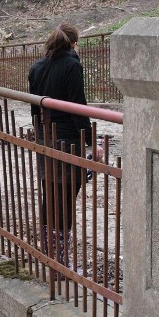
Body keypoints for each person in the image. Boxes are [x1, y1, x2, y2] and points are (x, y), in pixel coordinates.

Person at [28, 23, 104, 265]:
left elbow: (34, 108)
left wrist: (41, 135)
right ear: (73, 43)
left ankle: (48, 254)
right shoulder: (72, 65)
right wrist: (92, 143)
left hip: (46, 138)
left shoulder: (36, 67)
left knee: (49, 196)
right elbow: (77, 107)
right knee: (67, 198)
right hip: (69, 140)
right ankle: (59, 260)